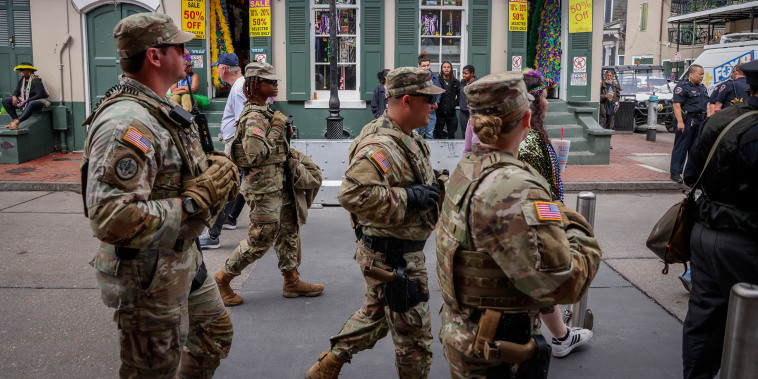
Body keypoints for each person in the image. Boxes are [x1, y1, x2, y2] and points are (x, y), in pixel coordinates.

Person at [81, 13, 238, 377]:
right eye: (179, 47)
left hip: (181, 261)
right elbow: (109, 217)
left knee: (214, 335)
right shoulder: (128, 122)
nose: (187, 54)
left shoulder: (159, 108)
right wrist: (192, 203)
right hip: (148, 276)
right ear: (154, 55)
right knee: (152, 371)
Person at [436, 71, 603, 378]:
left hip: (464, 332)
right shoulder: (515, 186)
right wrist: (574, 224)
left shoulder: (466, 169)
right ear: (527, 120)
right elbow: (563, 283)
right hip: (497, 350)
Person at [305, 67, 445, 379]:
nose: (434, 105)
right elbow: (353, 194)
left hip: (389, 251)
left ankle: (327, 365)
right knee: (414, 342)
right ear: (407, 100)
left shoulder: (405, 137)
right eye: (429, 99)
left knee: (376, 314)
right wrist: (408, 198)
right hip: (395, 257)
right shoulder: (380, 145)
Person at [213, 62, 324, 306]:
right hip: (263, 190)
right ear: (254, 85)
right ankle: (222, 279)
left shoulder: (264, 112)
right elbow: (255, 155)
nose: (275, 85)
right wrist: (276, 127)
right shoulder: (255, 116)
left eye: (276, 81)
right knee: (260, 239)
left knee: (288, 230)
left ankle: (291, 280)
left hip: (277, 184)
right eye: (269, 82)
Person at [680, 58, 758, 379]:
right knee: (748, 326)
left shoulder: (720, 120)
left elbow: (691, 174)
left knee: (703, 319)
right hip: (745, 240)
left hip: (706, 231)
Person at [520, 69, 594, 357]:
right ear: (536, 102)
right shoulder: (530, 139)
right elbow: (537, 189)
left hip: (535, 215)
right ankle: (559, 338)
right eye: (546, 97)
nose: (549, 103)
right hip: (537, 218)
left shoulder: (532, 134)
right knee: (539, 277)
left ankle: (558, 334)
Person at [199, 52, 247, 248]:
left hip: (236, 144)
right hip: (238, 144)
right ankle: (230, 219)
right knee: (241, 184)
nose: (217, 70)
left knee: (226, 186)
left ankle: (212, 235)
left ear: (223, 69)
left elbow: (243, 121)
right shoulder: (241, 85)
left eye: (218, 67)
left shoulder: (237, 90)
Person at [670, 64, 708, 184]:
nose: (702, 76)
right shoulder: (682, 87)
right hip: (687, 121)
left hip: (699, 120)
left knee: (695, 149)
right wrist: (680, 122)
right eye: (700, 74)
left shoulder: (702, 88)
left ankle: (691, 175)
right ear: (691, 74)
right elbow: (677, 105)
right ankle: (675, 172)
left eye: (703, 74)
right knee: (681, 147)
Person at [2, 63, 50, 130]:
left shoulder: (36, 80)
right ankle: (15, 120)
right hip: (25, 101)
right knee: (5, 100)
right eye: (19, 70)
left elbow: (39, 95)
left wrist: (25, 101)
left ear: (29, 70)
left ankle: (17, 123)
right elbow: (17, 91)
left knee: (31, 103)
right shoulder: (22, 80)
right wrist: (14, 97)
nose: (20, 72)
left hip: (40, 101)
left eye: (22, 70)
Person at [415, 54, 442, 139]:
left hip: (431, 109)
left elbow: (439, 91)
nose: (426, 67)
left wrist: (437, 101)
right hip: (418, 110)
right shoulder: (415, 78)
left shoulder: (434, 78)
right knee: (415, 134)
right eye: (424, 66)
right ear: (419, 66)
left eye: (428, 65)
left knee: (430, 135)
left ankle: (429, 152)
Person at [435, 61, 460, 139]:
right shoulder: (437, 81)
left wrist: (454, 104)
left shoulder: (456, 82)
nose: (446, 69)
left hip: (451, 113)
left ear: (451, 69)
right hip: (439, 112)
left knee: (451, 134)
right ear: (442, 69)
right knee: (438, 133)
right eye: (444, 67)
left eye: (448, 67)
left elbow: (460, 96)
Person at [458, 64, 477, 132]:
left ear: (472, 73)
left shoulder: (477, 83)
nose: (463, 75)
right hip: (463, 111)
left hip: (474, 112)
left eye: (466, 74)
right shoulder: (462, 82)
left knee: (474, 132)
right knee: (464, 132)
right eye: (463, 73)